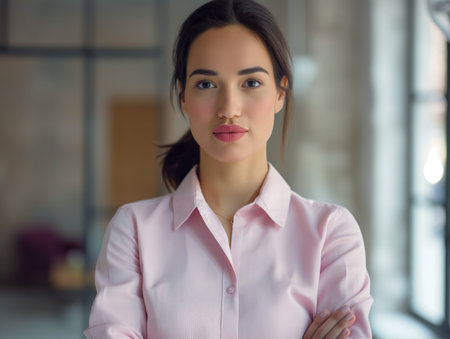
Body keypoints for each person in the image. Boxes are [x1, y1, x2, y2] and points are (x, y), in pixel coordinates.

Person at [84, 0, 373, 338]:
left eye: (250, 83)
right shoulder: (133, 232)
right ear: (183, 97)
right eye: (206, 85)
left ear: (280, 93)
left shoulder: (331, 234)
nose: (229, 108)